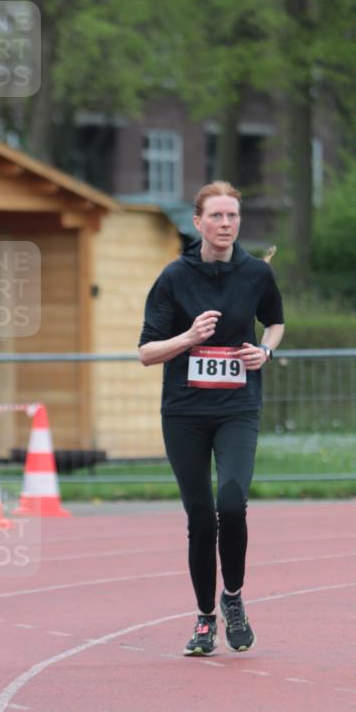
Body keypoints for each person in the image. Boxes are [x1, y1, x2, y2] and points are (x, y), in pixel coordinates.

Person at [138, 181, 285, 656]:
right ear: (198, 222)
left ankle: (233, 598)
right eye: (217, 216)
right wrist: (187, 338)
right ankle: (204, 619)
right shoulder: (174, 276)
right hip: (184, 412)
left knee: (232, 502)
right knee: (200, 518)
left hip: (238, 407)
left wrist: (265, 349)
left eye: (233, 216)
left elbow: (276, 321)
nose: (226, 224)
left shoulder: (255, 274)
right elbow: (146, 352)